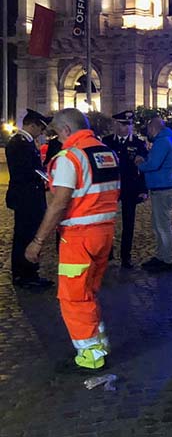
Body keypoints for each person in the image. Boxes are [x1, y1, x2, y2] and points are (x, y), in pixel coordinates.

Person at [25, 108, 120, 371]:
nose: (58, 139)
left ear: (66, 130)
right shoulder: (106, 153)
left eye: (57, 134)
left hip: (79, 236)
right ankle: (98, 344)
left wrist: (38, 241)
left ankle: (90, 355)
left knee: (74, 297)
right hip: (104, 232)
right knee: (88, 291)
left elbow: (59, 204)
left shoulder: (70, 157)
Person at [6, 109, 53, 289]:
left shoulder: (25, 142)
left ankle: (28, 273)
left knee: (27, 234)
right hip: (26, 198)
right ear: (32, 125)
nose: (41, 132)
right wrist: (43, 177)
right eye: (40, 128)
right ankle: (24, 275)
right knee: (25, 236)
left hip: (29, 196)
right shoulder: (19, 143)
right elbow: (25, 171)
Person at [102, 111, 148, 269]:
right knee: (107, 221)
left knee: (129, 223)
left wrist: (143, 189)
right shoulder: (107, 142)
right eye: (123, 124)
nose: (127, 128)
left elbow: (142, 169)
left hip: (130, 187)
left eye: (129, 124)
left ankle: (125, 256)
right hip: (110, 187)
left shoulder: (138, 143)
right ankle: (107, 253)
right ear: (116, 124)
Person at [135, 117, 172, 272]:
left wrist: (140, 164)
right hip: (162, 187)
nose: (147, 133)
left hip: (163, 188)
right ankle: (161, 256)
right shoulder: (167, 140)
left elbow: (153, 164)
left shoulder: (162, 142)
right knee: (159, 224)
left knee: (162, 226)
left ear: (153, 129)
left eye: (148, 130)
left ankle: (167, 260)